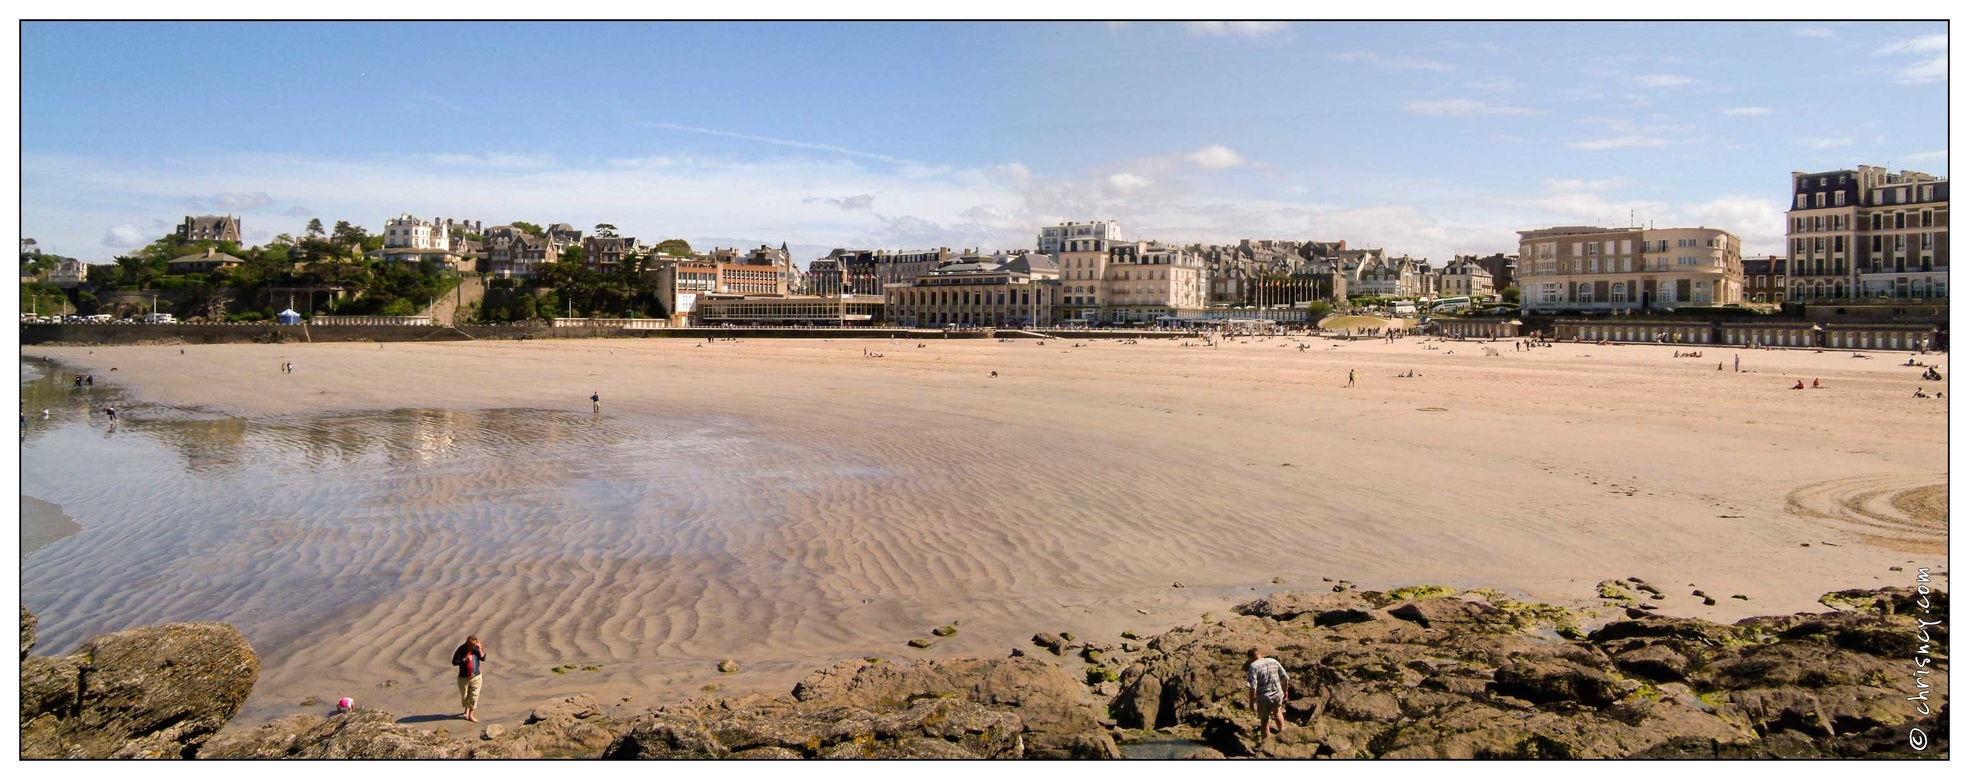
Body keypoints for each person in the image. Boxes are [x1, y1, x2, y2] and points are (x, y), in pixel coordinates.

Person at [1245, 648, 1291, 740]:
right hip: (1277, 694)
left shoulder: (1253, 666)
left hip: (1264, 697)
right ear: (1259, 654)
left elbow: (1252, 686)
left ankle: (1265, 744)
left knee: (1264, 721)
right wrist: (1285, 691)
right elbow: (1285, 678)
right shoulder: (1273, 661)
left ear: (1250, 658)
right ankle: (1283, 734)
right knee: (1277, 711)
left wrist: (1251, 701)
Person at [452, 635, 486, 722]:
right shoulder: (461, 649)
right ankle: (466, 709)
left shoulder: (476, 649)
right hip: (463, 677)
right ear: (467, 643)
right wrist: (464, 660)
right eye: (472, 645)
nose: (473, 647)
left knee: (474, 696)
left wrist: (480, 648)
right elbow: (454, 662)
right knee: (465, 696)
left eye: (475, 644)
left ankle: (471, 714)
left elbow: (483, 658)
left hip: (476, 676)